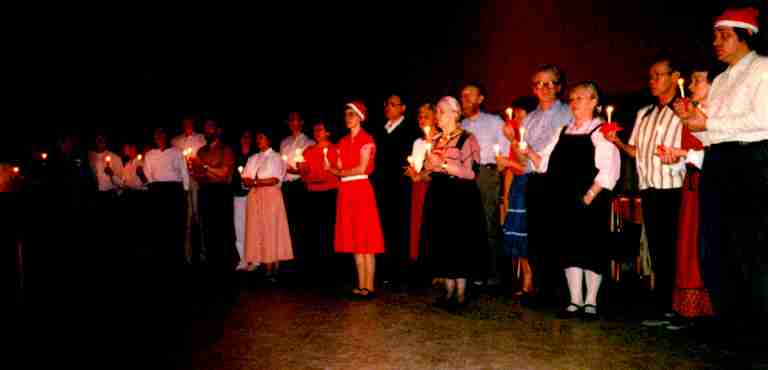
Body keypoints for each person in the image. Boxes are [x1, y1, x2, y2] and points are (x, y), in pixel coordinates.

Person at [675, 6, 768, 342]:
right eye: (716, 34)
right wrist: (692, 123)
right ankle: (733, 321)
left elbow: (763, 121)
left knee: (750, 246)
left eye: (724, 35)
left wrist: (708, 123)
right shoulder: (724, 79)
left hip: (752, 162)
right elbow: (713, 133)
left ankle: (758, 327)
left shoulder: (763, 70)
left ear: (745, 37)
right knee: (715, 246)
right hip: (720, 161)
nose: (716, 41)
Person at [524, 82, 620, 319]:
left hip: (590, 199)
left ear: (594, 101)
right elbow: (544, 162)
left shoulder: (601, 131)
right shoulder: (563, 130)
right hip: (563, 199)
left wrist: (590, 195)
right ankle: (575, 300)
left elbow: (610, 167)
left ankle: (591, 302)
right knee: (569, 248)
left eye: (580, 98)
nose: (574, 102)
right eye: (572, 98)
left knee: (590, 248)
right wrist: (527, 151)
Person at [607, 55, 685, 326]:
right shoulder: (645, 114)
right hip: (651, 190)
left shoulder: (687, 111)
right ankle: (663, 306)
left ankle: (684, 308)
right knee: (659, 250)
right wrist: (616, 141)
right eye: (650, 76)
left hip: (678, 190)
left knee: (679, 250)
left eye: (658, 75)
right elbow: (637, 152)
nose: (652, 81)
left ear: (675, 77)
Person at [662, 64, 720, 327]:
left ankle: (710, 311)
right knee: (688, 245)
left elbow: (720, 157)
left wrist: (685, 154)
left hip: (713, 186)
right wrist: (674, 158)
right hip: (693, 185)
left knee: (706, 246)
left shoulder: (717, 116)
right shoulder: (692, 116)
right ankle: (690, 310)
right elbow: (690, 157)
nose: (693, 85)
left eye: (698, 80)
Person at [514, 65, 573, 305]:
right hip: (533, 180)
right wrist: (514, 145)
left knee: (557, 236)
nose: (544, 88)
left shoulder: (569, 113)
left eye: (550, 83)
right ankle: (541, 289)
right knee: (536, 236)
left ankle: (561, 292)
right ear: (533, 88)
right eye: (539, 83)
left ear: (559, 87)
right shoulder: (529, 118)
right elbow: (522, 158)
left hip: (558, 181)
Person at [421, 96, 486, 308]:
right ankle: (448, 291)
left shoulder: (468, 138)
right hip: (440, 194)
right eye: (437, 112)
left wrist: (445, 165)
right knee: (443, 242)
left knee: (459, 242)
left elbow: (471, 172)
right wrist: (426, 167)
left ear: (454, 114)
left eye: (440, 112)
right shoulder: (436, 139)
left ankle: (461, 293)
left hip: (460, 196)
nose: (437, 116)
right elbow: (430, 170)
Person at [326, 101, 384, 299]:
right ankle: (361, 285)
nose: (347, 118)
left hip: (360, 188)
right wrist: (330, 167)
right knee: (355, 238)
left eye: (351, 114)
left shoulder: (366, 139)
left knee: (366, 237)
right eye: (346, 114)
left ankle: (370, 286)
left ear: (360, 117)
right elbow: (338, 168)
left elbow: (361, 168)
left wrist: (340, 171)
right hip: (347, 190)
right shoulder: (342, 142)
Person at [460, 82, 509, 286]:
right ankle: (473, 270)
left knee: (488, 223)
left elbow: (505, 151)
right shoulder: (460, 125)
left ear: (481, 99)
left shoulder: (494, 121)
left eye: (470, 95)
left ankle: (493, 273)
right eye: (462, 96)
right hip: (464, 174)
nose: (465, 99)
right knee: (468, 223)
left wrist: (492, 175)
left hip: (485, 173)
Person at [373, 93, 420, 287]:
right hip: (382, 185)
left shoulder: (411, 130)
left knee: (400, 227)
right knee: (384, 227)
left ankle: (401, 272)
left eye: (393, 104)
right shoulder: (380, 130)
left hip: (401, 185)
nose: (388, 107)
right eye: (387, 103)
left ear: (403, 108)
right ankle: (385, 269)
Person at [497, 96, 538, 297]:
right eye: (517, 117)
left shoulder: (531, 140)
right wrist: (505, 196)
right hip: (516, 188)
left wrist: (509, 163)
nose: (518, 121)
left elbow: (528, 166)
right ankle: (525, 278)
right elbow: (510, 169)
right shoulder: (514, 139)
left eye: (522, 116)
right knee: (517, 234)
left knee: (527, 233)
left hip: (530, 185)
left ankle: (531, 279)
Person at [243, 128, 293, 279]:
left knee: (271, 228)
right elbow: (245, 179)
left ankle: (273, 263)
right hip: (255, 197)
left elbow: (275, 179)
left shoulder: (276, 157)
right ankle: (262, 261)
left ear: (269, 140)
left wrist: (256, 181)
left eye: (262, 137)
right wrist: (255, 182)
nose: (259, 140)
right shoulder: (253, 158)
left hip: (271, 196)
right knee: (257, 229)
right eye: (257, 138)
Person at [191, 119, 236, 273]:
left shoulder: (226, 149)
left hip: (221, 193)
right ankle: (210, 263)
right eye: (205, 127)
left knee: (222, 229)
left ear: (218, 130)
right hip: (205, 192)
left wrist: (205, 168)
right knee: (207, 228)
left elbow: (224, 174)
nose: (207, 130)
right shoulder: (200, 151)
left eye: (210, 127)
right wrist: (204, 171)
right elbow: (197, 176)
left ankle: (225, 264)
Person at [142, 127, 190, 267]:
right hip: (157, 191)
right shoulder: (150, 154)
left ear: (166, 136)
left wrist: (185, 191)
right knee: (158, 225)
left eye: (162, 134)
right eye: (157, 135)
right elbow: (148, 174)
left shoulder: (176, 152)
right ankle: (160, 256)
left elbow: (184, 171)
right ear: (154, 138)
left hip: (174, 191)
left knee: (175, 225)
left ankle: (176, 257)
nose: (159, 137)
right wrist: (152, 188)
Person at [298, 119, 339, 277]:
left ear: (328, 132)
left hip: (329, 194)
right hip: (312, 194)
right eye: (315, 129)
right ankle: (314, 268)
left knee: (328, 230)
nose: (316, 132)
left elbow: (335, 172)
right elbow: (304, 176)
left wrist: (318, 178)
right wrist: (302, 170)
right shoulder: (308, 151)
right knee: (312, 230)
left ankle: (330, 267)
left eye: (320, 129)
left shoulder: (335, 149)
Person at [279, 111, 315, 272]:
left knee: (302, 223)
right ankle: (290, 261)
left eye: (296, 120)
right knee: (288, 224)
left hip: (300, 186)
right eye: (290, 120)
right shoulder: (284, 143)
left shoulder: (308, 142)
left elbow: (310, 169)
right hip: (286, 186)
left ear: (301, 122)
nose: (293, 122)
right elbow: (281, 165)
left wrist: (297, 171)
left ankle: (304, 262)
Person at [404, 103, 439, 264]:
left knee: (433, 225)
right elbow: (416, 165)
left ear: (435, 118)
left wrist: (421, 175)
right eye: (420, 116)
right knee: (417, 224)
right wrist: (412, 172)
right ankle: (419, 260)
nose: (421, 119)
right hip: (418, 187)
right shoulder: (417, 142)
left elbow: (437, 168)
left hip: (433, 187)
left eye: (426, 116)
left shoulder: (440, 139)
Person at [171, 116, 206, 264]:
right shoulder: (175, 141)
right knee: (186, 217)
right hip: (182, 182)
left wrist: (195, 163)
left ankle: (204, 252)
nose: (187, 125)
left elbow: (204, 159)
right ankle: (187, 255)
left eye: (190, 122)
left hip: (197, 180)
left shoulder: (201, 138)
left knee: (200, 216)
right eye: (185, 122)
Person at [231, 129, 255, 271]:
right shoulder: (235, 156)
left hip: (252, 195)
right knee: (239, 228)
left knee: (253, 226)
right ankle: (243, 259)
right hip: (238, 195)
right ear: (240, 140)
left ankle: (255, 259)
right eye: (243, 137)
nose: (246, 139)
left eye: (248, 137)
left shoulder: (255, 156)